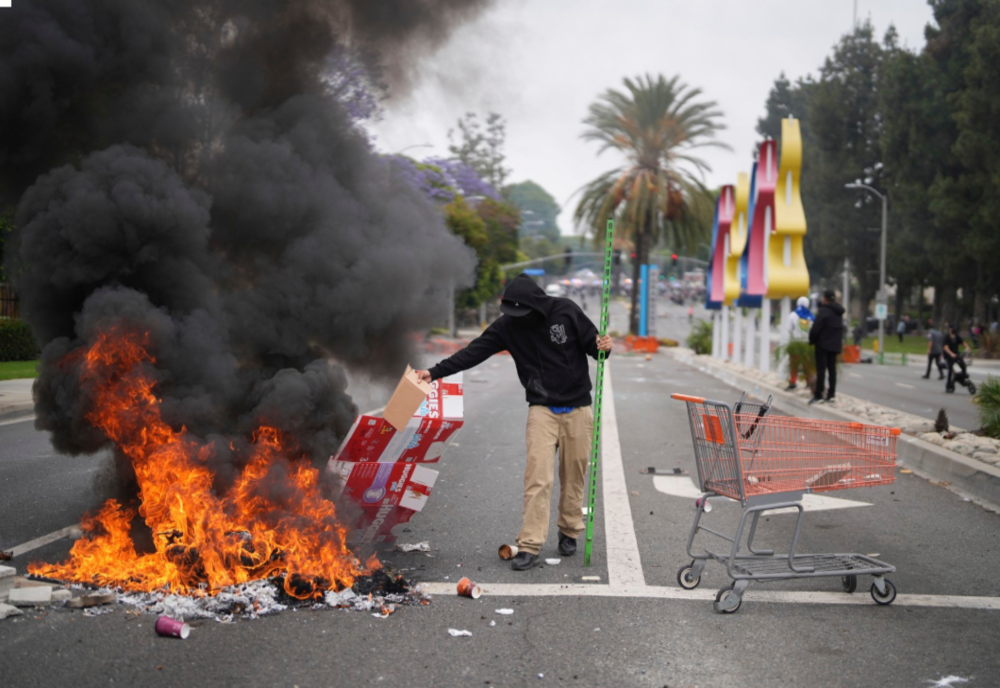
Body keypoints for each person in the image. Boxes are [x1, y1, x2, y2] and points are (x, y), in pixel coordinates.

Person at [416, 273, 612, 571]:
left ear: (536, 305)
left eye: (523, 313)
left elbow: (594, 348)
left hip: (579, 408)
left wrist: (604, 347)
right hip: (541, 410)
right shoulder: (508, 326)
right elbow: (473, 353)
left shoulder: (566, 310)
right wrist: (434, 372)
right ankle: (530, 544)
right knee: (538, 478)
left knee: (574, 475)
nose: (518, 319)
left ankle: (570, 530)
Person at [808, 289, 845, 404]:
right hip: (834, 345)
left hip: (822, 345)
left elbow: (816, 328)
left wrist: (811, 340)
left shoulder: (823, 311)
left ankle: (818, 395)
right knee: (832, 370)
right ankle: (831, 394)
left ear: (825, 299)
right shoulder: (839, 312)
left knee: (821, 370)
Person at [784, 296, 814, 391]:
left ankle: (792, 382)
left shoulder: (793, 315)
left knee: (794, 365)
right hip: (808, 345)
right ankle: (809, 383)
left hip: (796, 344)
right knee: (807, 365)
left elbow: (788, 329)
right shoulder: (812, 317)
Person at [942, 323, 973, 393]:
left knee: (963, 366)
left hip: (956, 355)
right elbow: (945, 347)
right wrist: (951, 354)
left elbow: (963, 342)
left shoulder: (956, 336)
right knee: (950, 369)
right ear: (950, 329)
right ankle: (948, 385)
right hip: (949, 356)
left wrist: (968, 348)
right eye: (953, 328)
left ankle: (961, 378)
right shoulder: (947, 337)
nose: (954, 330)